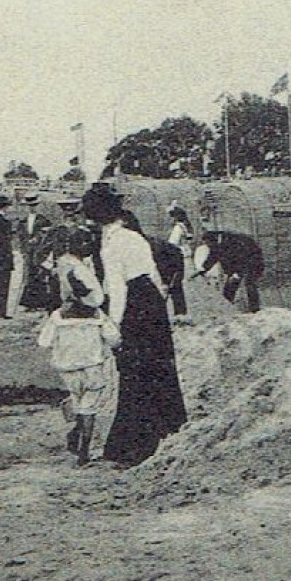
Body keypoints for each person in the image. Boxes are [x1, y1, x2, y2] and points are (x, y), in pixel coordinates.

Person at [82, 183, 189, 466]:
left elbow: (118, 288)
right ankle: (171, 428)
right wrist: (160, 301)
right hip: (152, 304)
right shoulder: (134, 237)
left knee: (134, 374)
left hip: (134, 308)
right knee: (161, 368)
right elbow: (153, 275)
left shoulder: (113, 243)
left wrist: (113, 327)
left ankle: (133, 448)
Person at [38, 231, 121, 466]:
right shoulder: (96, 314)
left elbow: (44, 341)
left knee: (76, 399)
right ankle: (84, 449)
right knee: (90, 406)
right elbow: (115, 339)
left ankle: (76, 431)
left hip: (67, 366)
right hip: (92, 365)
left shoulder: (59, 315)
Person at [194, 230, 266, 313]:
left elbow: (240, 258)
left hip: (253, 261)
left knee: (249, 283)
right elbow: (212, 258)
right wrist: (202, 270)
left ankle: (254, 309)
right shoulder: (216, 245)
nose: (207, 246)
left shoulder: (232, 241)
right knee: (231, 284)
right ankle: (227, 308)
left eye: (208, 243)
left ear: (213, 240)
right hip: (237, 264)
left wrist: (236, 273)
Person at [16, 193, 59, 314]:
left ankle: (41, 302)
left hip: (39, 252)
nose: (32, 208)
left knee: (40, 275)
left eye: (34, 205)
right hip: (28, 252)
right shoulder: (23, 221)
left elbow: (49, 235)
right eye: (29, 206)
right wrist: (23, 250)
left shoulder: (43, 220)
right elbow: (20, 237)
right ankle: (30, 303)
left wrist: (38, 238)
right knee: (29, 276)